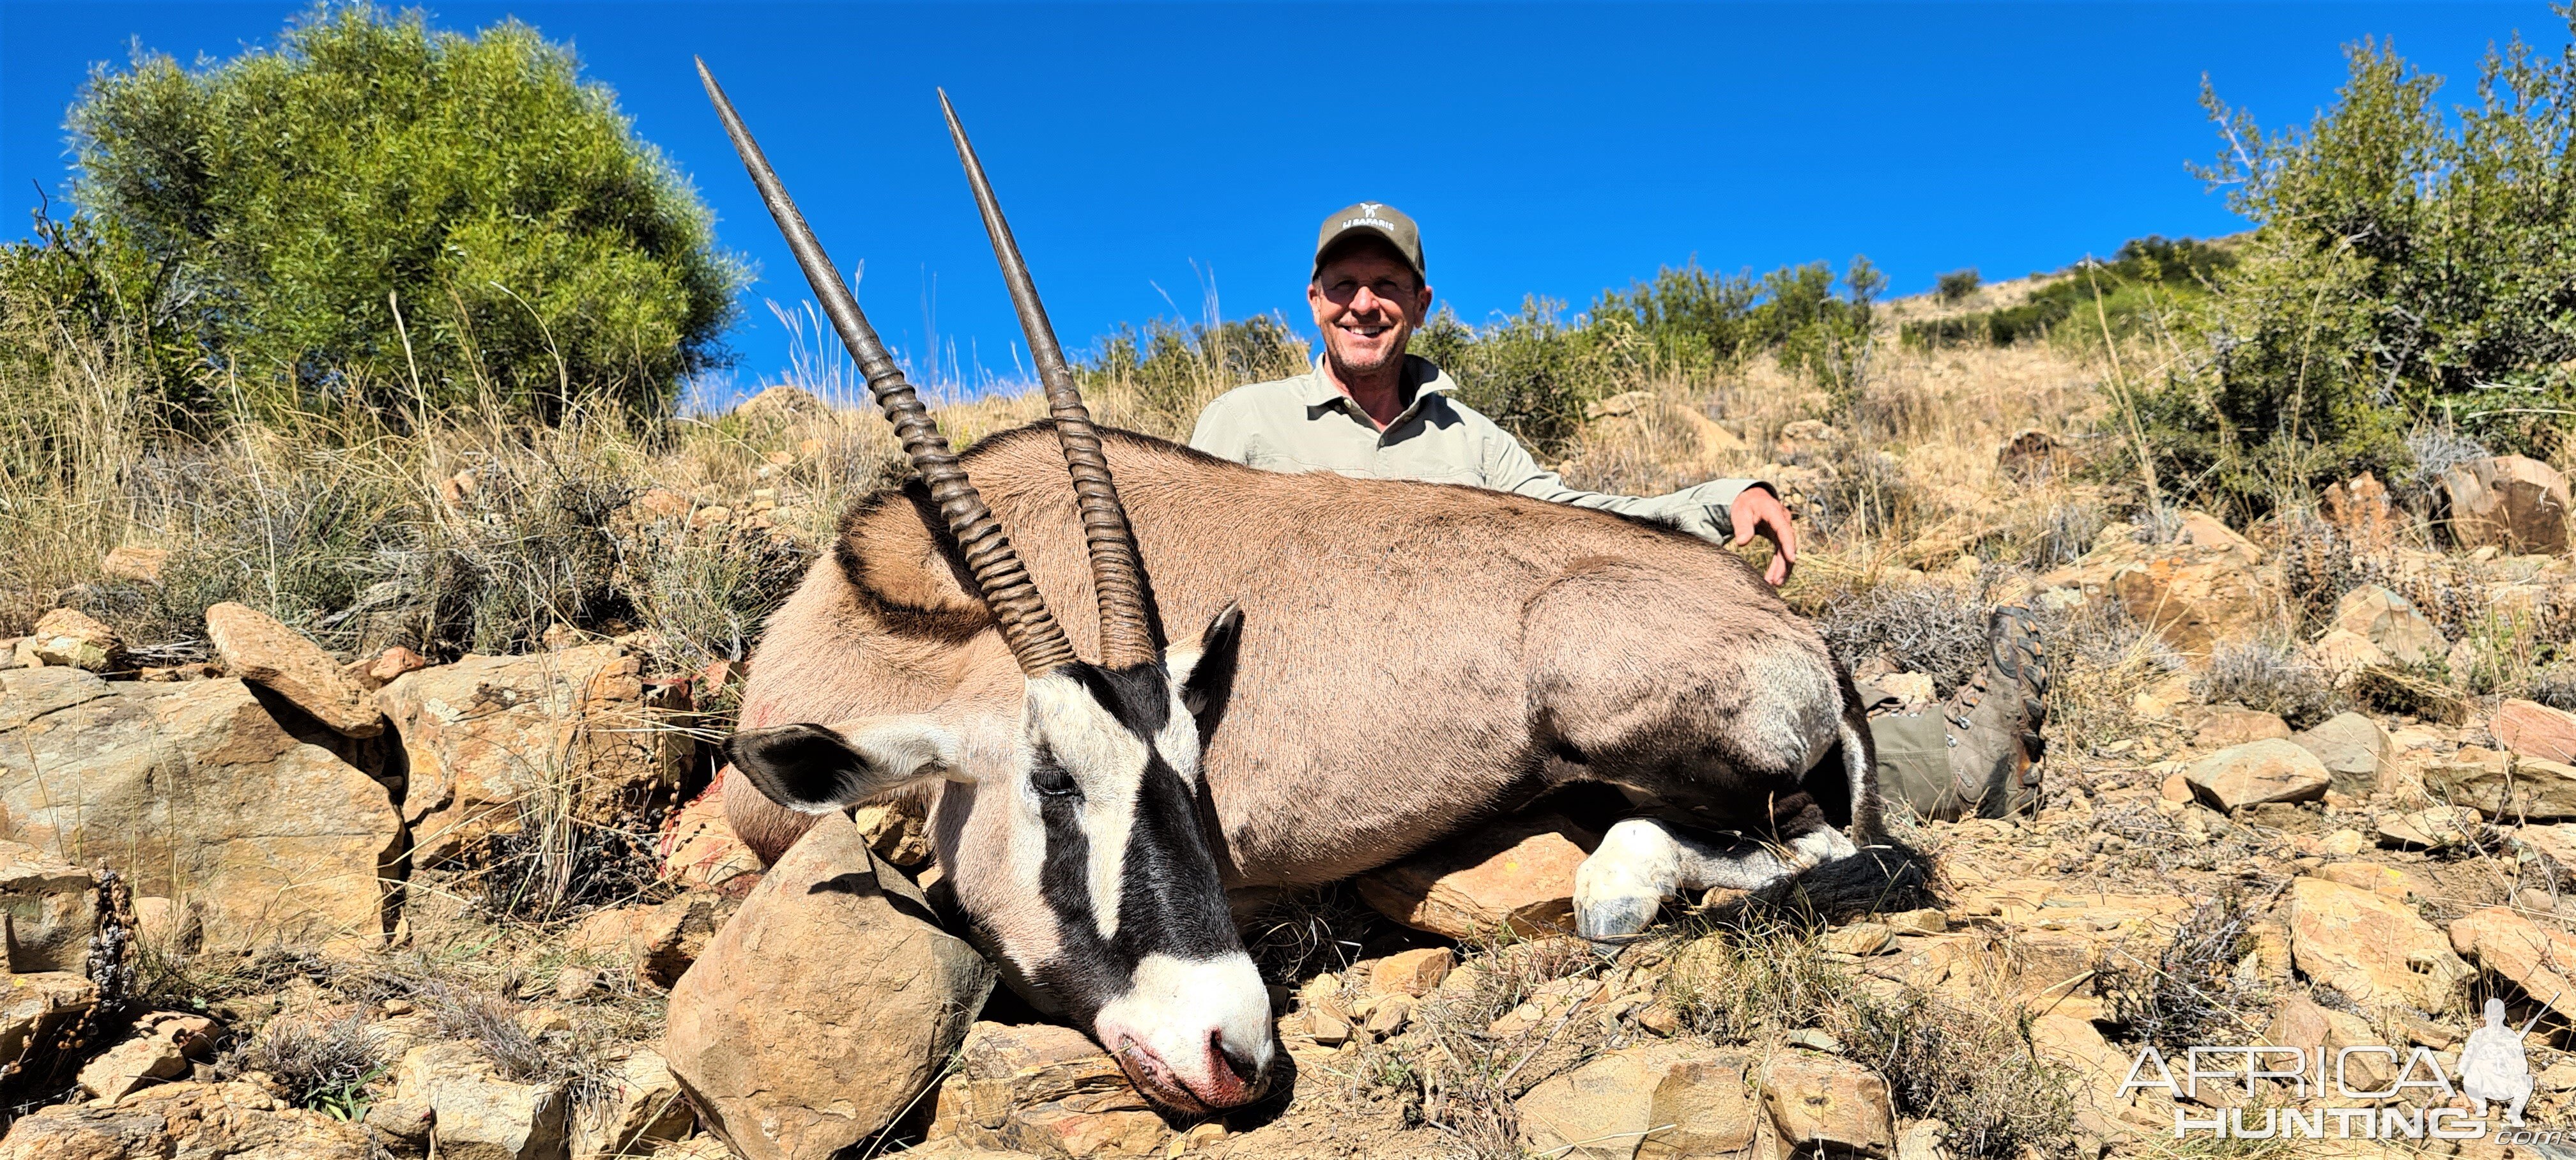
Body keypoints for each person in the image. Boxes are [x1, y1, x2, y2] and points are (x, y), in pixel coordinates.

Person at [1188, 201, 2044, 820]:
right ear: (1313, 298)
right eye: (1344, 285)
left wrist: (1718, 501)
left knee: (1634, 727)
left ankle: (1949, 763)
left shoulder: (1473, 442)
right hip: (1292, 736)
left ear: (1420, 304)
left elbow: (1575, 518)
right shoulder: (1240, 424)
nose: (1362, 305)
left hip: (1459, 711)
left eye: (1385, 285)